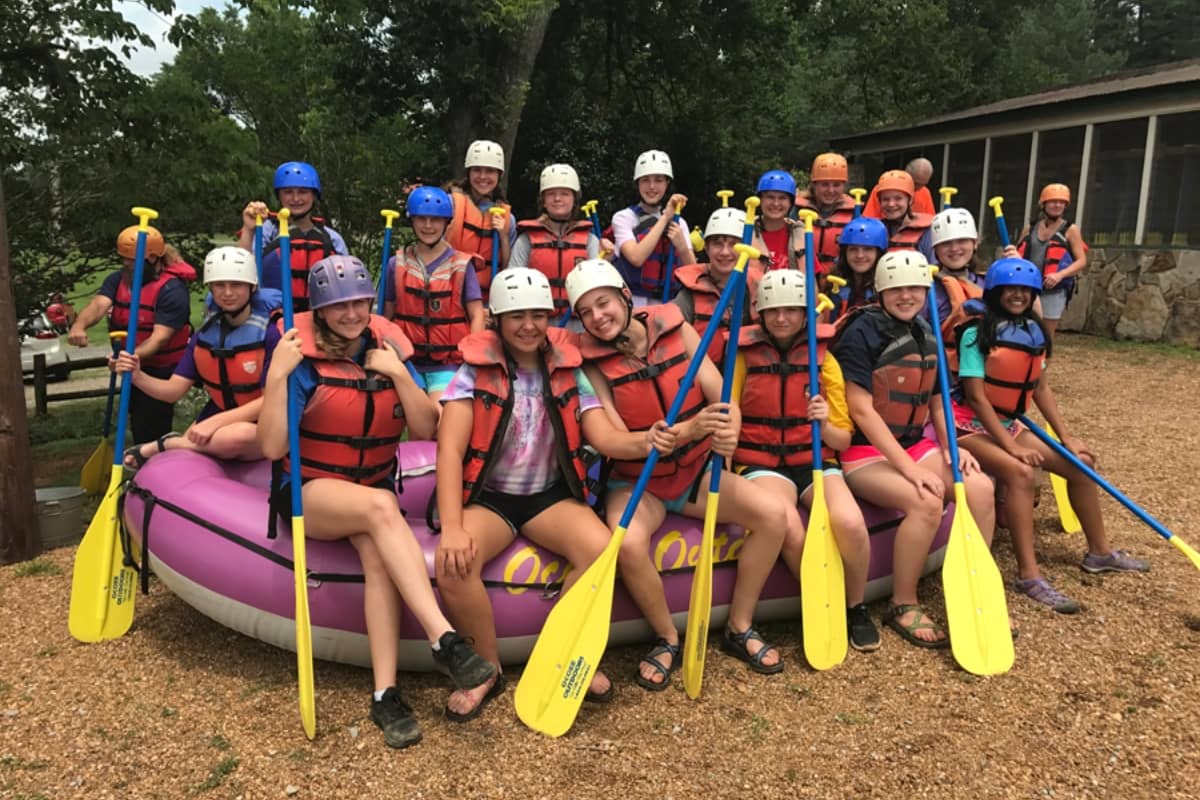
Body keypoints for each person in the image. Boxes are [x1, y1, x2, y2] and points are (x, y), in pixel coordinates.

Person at [258, 254, 496, 749]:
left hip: (368, 488)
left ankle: (385, 694)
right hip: (309, 490)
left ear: (371, 301)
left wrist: (401, 375)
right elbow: (271, 448)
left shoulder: (387, 347)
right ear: (320, 311)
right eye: (338, 305)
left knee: (380, 560)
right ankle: (444, 639)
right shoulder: (298, 359)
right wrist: (277, 377)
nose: (351, 313)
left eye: (359, 302)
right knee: (382, 509)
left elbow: (426, 428)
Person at [435, 267, 658, 719]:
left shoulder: (566, 370)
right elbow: (450, 451)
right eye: (517, 315)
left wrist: (646, 440)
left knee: (601, 551)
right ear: (497, 318)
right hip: (490, 496)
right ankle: (487, 668)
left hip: (548, 495)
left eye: (539, 314)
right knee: (454, 567)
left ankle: (561, 651)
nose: (529, 325)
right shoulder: (472, 372)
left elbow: (606, 438)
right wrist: (453, 527)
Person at [567, 259, 790, 686]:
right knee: (628, 545)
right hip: (637, 482)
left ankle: (740, 625)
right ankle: (667, 636)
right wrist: (679, 431)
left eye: (604, 303)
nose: (598, 317)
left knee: (773, 516)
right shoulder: (589, 362)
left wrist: (730, 426)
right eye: (586, 312)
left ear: (625, 298)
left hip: (694, 473)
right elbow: (612, 437)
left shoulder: (676, 327)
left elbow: (719, 393)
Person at [953, 257, 1148, 613]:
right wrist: (1010, 448)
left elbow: (1040, 390)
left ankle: (1099, 553)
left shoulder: (1033, 332)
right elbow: (978, 398)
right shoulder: (974, 334)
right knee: (1021, 472)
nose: (1018, 295)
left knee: (1081, 463)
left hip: (1010, 424)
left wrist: (1066, 437)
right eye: (1010, 289)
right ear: (995, 292)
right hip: (968, 428)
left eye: (1025, 290)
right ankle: (1029, 574)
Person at [830, 251, 994, 649]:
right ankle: (903, 602)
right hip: (865, 453)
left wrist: (952, 448)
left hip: (915, 443)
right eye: (898, 288)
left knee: (981, 489)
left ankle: (974, 584)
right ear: (882, 290)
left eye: (915, 288)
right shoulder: (861, 332)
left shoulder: (926, 330)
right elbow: (860, 410)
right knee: (925, 499)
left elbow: (937, 402)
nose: (907, 296)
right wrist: (909, 469)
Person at [732, 270, 878, 651]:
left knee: (848, 522)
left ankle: (855, 605)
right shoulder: (744, 357)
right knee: (790, 530)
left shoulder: (825, 360)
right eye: (773, 311)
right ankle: (822, 603)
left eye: (792, 311)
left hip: (814, 457)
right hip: (762, 462)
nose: (782, 319)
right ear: (760, 314)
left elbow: (842, 439)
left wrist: (824, 421)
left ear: (805, 314)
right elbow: (730, 412)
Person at [115, 246, 281, 468]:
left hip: (261, 426)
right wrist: (136, 376)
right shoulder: (205, 336)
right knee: (219, 441)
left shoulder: (270, 335)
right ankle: (182, 446)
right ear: (211, 288)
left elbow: (272, 400)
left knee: (238, 435)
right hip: (217, 421)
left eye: (236, 285)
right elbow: (172, 391)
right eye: (220, 285)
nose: (228, 293)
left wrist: (215, 422)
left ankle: (167, 445)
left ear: (251, 288)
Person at [68, 225, 194, 443]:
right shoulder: (118, 279)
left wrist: (128, 358)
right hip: (132, 363)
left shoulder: (172, 290)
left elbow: (159, 338)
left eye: (132, 259)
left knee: (150, 425)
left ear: (153, 258)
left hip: (162, 369)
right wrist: (79, 326)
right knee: (137, 420)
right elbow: (99, 305)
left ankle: (155, 465)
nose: (126, 263)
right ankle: (144, 459)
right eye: (123, 258)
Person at [382, 186, 486, 401]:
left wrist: (473, 356)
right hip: (407, 362)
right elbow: (386, 315)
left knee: (437, 414)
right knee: (415, 419)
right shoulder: (396, 264)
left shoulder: (462, 265)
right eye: (421, 219)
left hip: (447, 363)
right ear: (412, 221)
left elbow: (476, 314)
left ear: (446, 223)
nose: (428, 226)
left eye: (435, 220)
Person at [238, 161, 348, 312]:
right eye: (288, 192)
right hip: (274, 316)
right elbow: (240, 267)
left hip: (319, 317)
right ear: (279, 196)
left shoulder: (332, 238)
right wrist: (248, 229)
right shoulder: (267, 230)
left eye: (303, 192)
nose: (295, 199)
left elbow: (347, 283)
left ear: (314, 196)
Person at [509, 164, 602, 323]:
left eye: (564, 194)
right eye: (551, 194)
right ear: (543, 201)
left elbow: (597, 285)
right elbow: (512, 283)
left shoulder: (589, 240)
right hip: (538, 322)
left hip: (579, 322)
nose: (557, 199)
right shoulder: (526, 240)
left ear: (574, 199)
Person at [672, 207, 762, 368]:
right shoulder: (690, 293)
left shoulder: (759, 289)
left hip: (745, 377)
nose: (725, 252)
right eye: (717, 244)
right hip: (701, 376)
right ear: (706, 248)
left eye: (734, 244)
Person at [611, 149, 695, 304]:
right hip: (632, 301)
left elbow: (693, 273)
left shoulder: (679, 222)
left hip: (668, 302)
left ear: (667, 183)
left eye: (658, 180)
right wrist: (665, 218)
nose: (651, 187)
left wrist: (682, 247)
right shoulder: (623, 218)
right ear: (638, 183)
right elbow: (636, 258)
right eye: (645, 180)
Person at [1006, 183, 1087, 342]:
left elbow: (1082, 261)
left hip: (1053, 290)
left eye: (1061, 202)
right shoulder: (1030, 227)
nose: (1057, 205)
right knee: (1022, 330)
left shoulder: (1071, 230)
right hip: (1028, 288)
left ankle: (1042, 365)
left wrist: (1059, 275)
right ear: (1043, 204)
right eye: (1052, 201)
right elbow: (1017, 253)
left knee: (1045, 336)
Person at [445, 139, 515, 300]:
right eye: (477, 170)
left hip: (486, 298)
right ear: (468, 173)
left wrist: (503, 236)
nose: (483, 177)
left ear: (499, 175)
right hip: (450, 292)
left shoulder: (507, 218)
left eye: (490, 171)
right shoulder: (450, 204)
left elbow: (508, 268)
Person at [925, 208, 985, 361]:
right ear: (935, 250)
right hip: (944, 369)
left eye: (962, 241)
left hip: (985, 367)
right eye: (946, 243)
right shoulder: (926, 288)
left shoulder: (988, 283)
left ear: (975, 243)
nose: (954, 248)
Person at [794, 154, 858, 275]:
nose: (831, 190)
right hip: (802, 276)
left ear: (844, 186)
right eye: (824, 184)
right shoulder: (796, 210)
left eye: (836, 185)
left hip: (838, 279)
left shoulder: (855, 213)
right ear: (814, 184)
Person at [824, 217, 888, 325]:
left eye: (868, 249)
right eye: (853, 249)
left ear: (879, 253)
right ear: (845, 253)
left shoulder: (887, 288)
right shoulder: (833, 284)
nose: (860, 255)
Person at [866, 169, 935, 262]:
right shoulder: (873, 230)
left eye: (898, 198)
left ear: (910, 200)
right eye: (885, 199)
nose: (891, 204)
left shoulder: (926, 232)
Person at [753, 169, 802, 272]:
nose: (776, 203)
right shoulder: (745, 232)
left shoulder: (800, 236)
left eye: (782, 198)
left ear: (790, 203)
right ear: (760, 200)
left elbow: (812, 284)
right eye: (770, 197)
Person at [863, 158, 937, 218]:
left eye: (922, 185)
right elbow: (868, 221)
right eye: (915, 184)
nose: (917, 188)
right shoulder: (882, 188)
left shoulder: (925, 192)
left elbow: (930, 220)